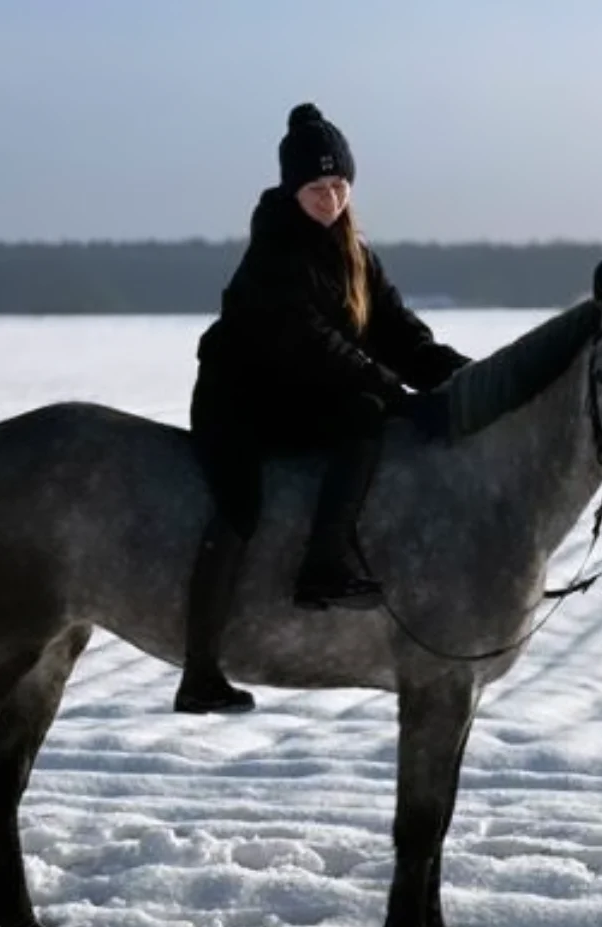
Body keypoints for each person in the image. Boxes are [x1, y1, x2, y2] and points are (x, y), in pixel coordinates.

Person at [174, 102, 472, 715]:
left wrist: (463, 378)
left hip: (300, 387)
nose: (330, 200)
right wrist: (394, 393)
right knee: (240, 503)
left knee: (367, 410)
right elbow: (313, 345)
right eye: (317, 188)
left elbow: (397, 331)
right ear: (293, 188)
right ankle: (202, 669)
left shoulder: (354, 250)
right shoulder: (276, 250)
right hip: (242, 397)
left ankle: (326, 559)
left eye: (340, 187)